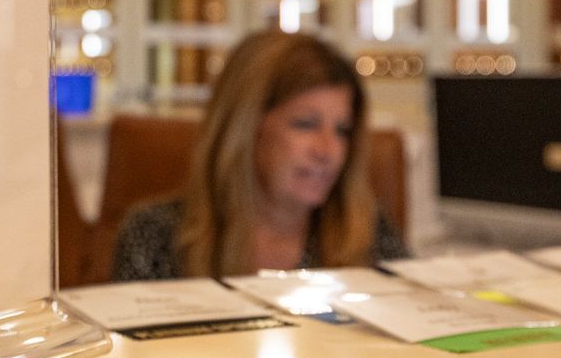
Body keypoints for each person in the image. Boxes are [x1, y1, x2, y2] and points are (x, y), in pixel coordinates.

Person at [110, 31, 407, 280]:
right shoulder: (156, 236)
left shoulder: (367, 230)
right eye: (305, 124)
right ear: (244, 128)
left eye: (342, 130)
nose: (328, 151)